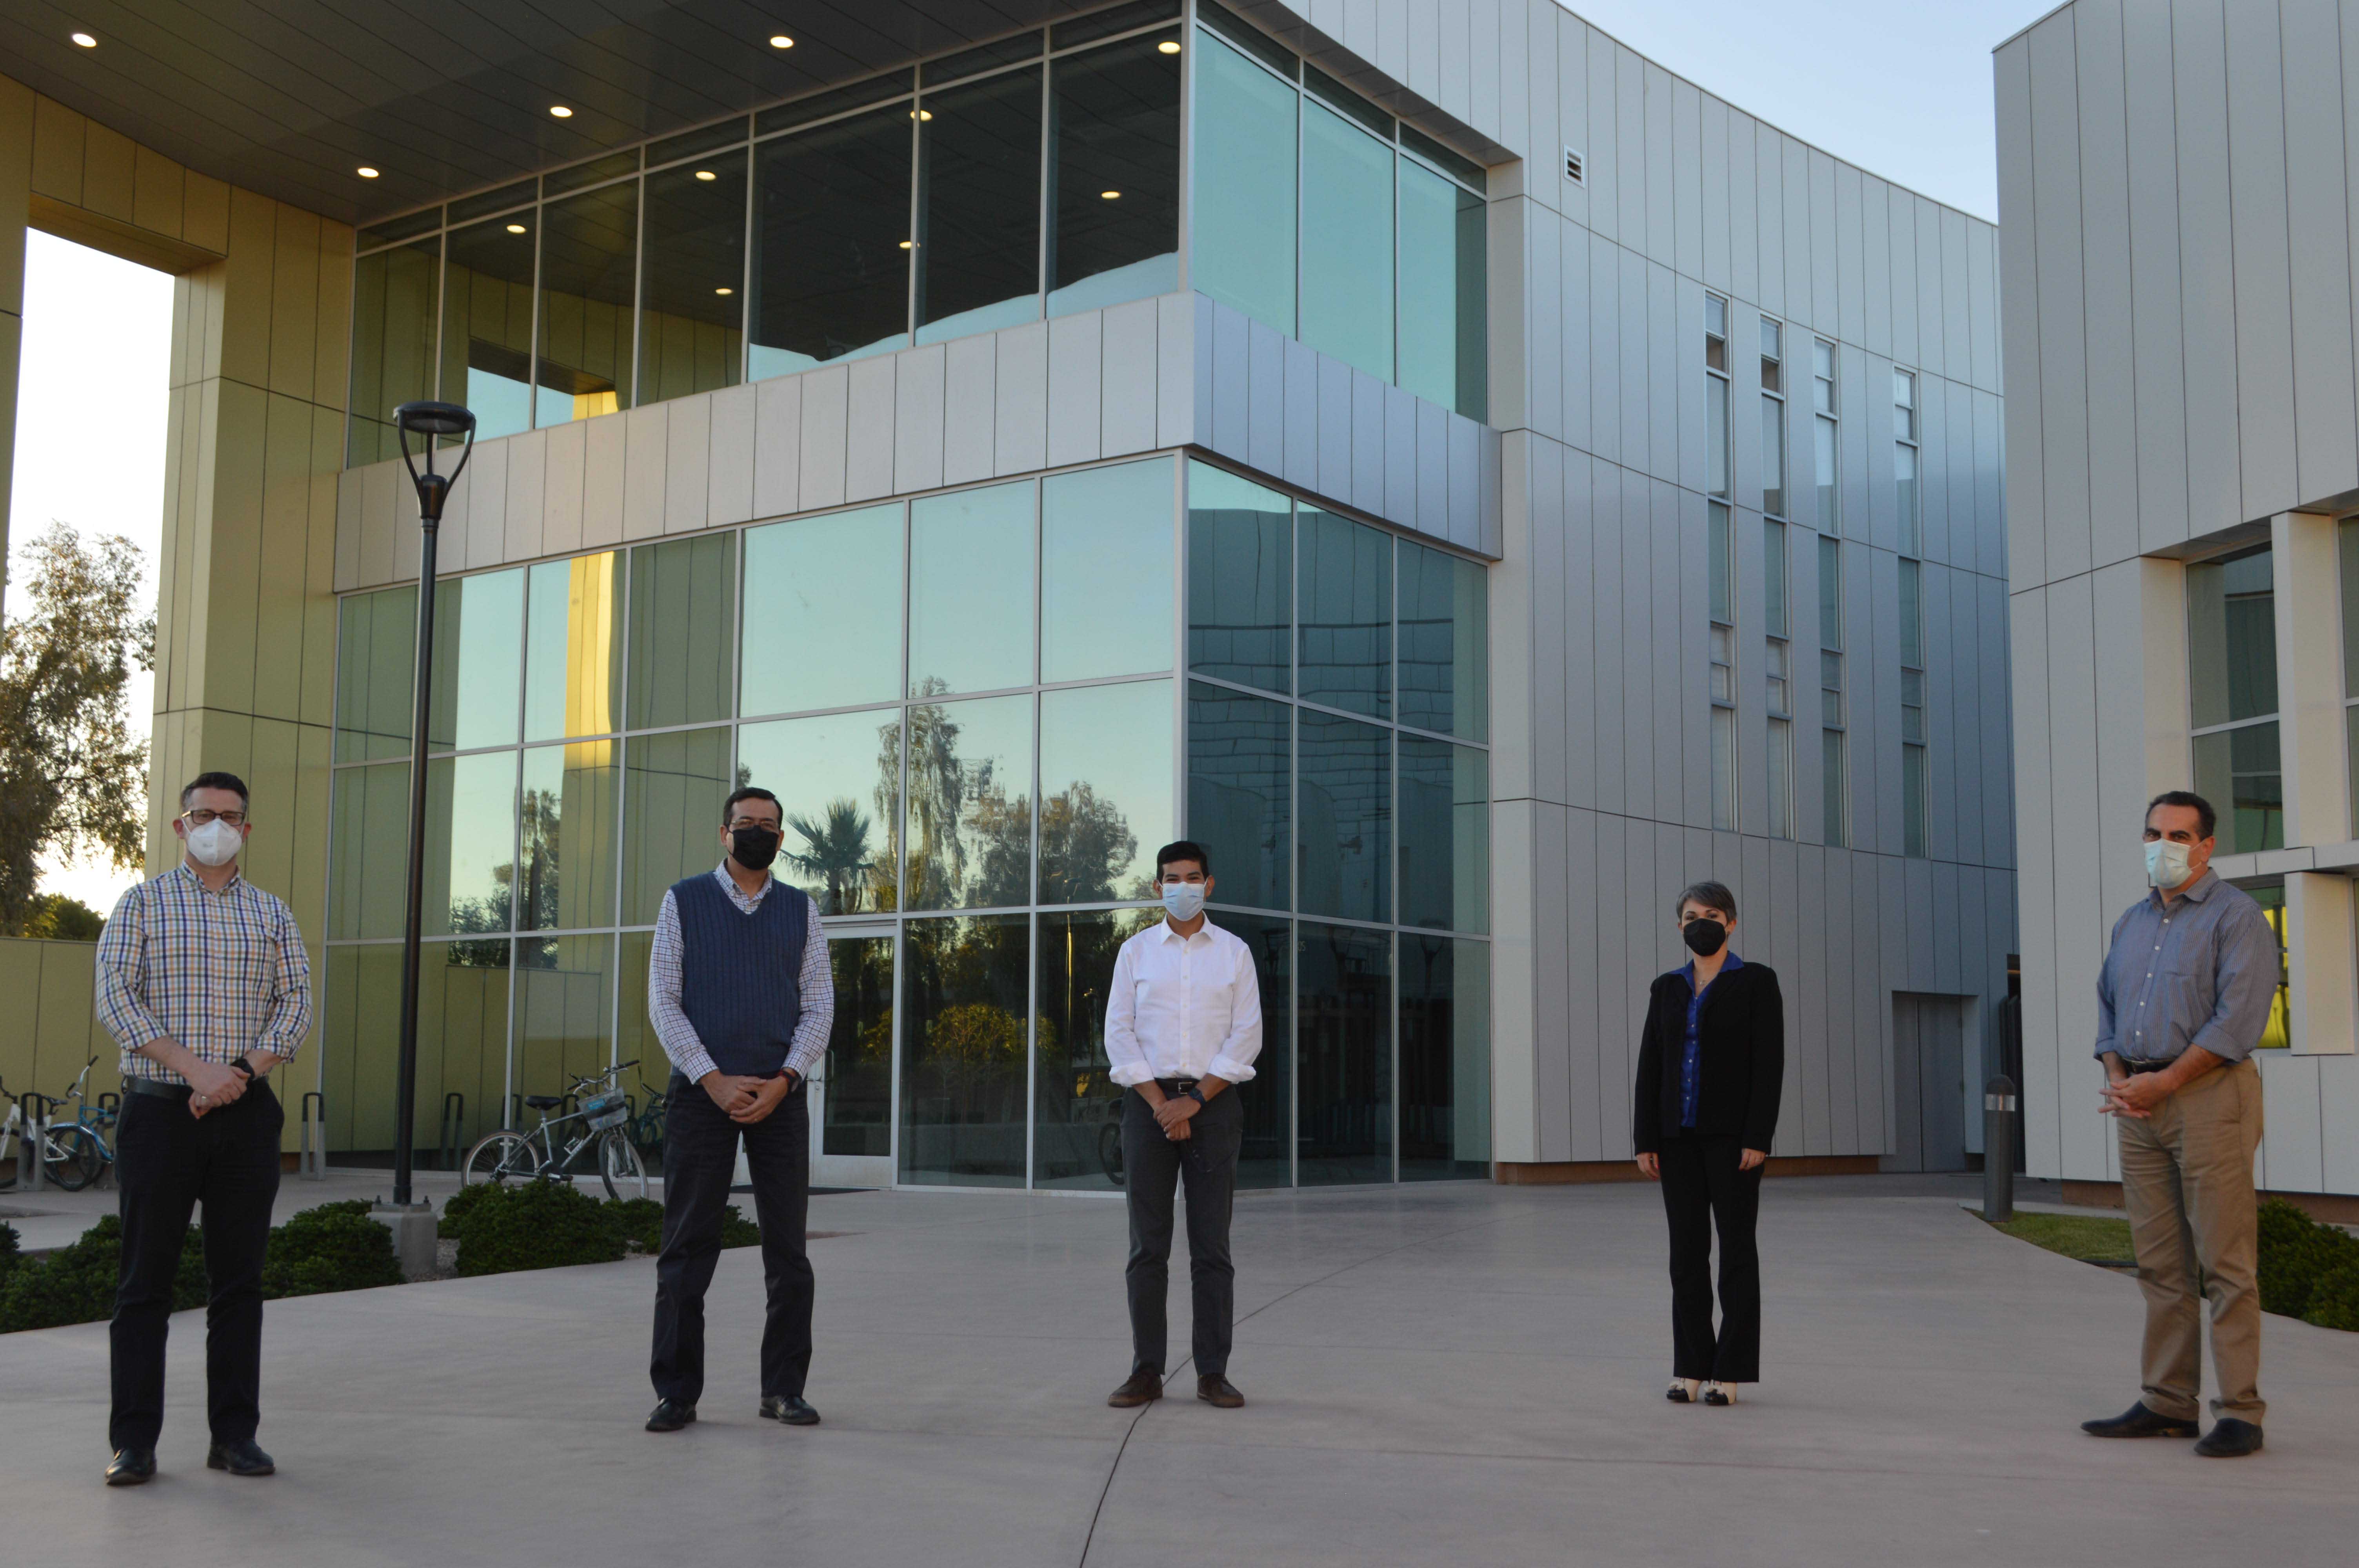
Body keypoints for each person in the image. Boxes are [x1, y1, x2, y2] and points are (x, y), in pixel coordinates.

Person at [92, 772, 313, 1487]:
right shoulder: (141, 905)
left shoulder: (274, 915)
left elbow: (297, 1005)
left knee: (239, 1285)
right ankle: (134, 1443)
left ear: (246, 831)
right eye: (203, 814)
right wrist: (194, 1070)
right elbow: (116, 997)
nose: (216, 824)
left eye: (230, 816)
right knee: (144, 1286)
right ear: (182, 825)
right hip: (160, 1113)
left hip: (246, 1119)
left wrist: (237, 1075)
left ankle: (234, 1437)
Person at [2080, 791, 2278, 1459]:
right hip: (2136, 1102)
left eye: (2177, 835)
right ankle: (2167, 1403)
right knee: (2160, 1263)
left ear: (2205, 847)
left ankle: (2241, 1413)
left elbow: (2237, 1020)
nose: (2162, 845)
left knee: (2225, 1262)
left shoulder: (2237, 917)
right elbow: (2107, 1005)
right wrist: (2118, 1075)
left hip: (2208, 1096)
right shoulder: (2131, 921)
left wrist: (2166, 1080)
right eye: (2153, 833)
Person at [643, 785, 833, 1434]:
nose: (759, 832)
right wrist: (714, 1080)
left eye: (770, 826)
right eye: (747, 823)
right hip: (703, 1099)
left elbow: (819, 1008)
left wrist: (784, 1080)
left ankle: (784, 1389)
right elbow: (664, 1001)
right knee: (687, 1249)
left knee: (788, 1253)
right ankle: (677, 1393)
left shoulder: (802, 912)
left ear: (782, 839)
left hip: (780, 1098)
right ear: (724, 833)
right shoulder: (684, 902)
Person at [1101, 841, 1263, 1411]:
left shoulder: (1235, 954)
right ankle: (1146, 1371)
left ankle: (1213, 1373)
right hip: (1147, 1109)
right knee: (1148, 1247)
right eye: (1172, 878)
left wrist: (1193, 1100)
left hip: (1213, 1106)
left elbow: (1247, 1036)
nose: (1183, 886)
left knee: (1211, 1247)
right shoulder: (1136, 953)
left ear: (1209, 885)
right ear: (1157, 887)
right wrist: (1160, 1103)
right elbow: (1119, 1034)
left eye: (1193, 877)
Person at [1632, 880, 1783, 1407]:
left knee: (1737, 1253)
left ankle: (1731, 1372)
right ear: (1679, 926)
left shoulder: (1757, 982)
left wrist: (1758, 1136)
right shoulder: (1666, 987)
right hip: (1676, 1141)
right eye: (1692, 915)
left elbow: (1769, 1065)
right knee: (1687, 1256)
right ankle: (1690, 1367)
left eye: (1712, 914)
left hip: (1733, 1142)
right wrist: (1645, 1137)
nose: (1702, 922)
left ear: (1731, 923)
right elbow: (1651, 1064)